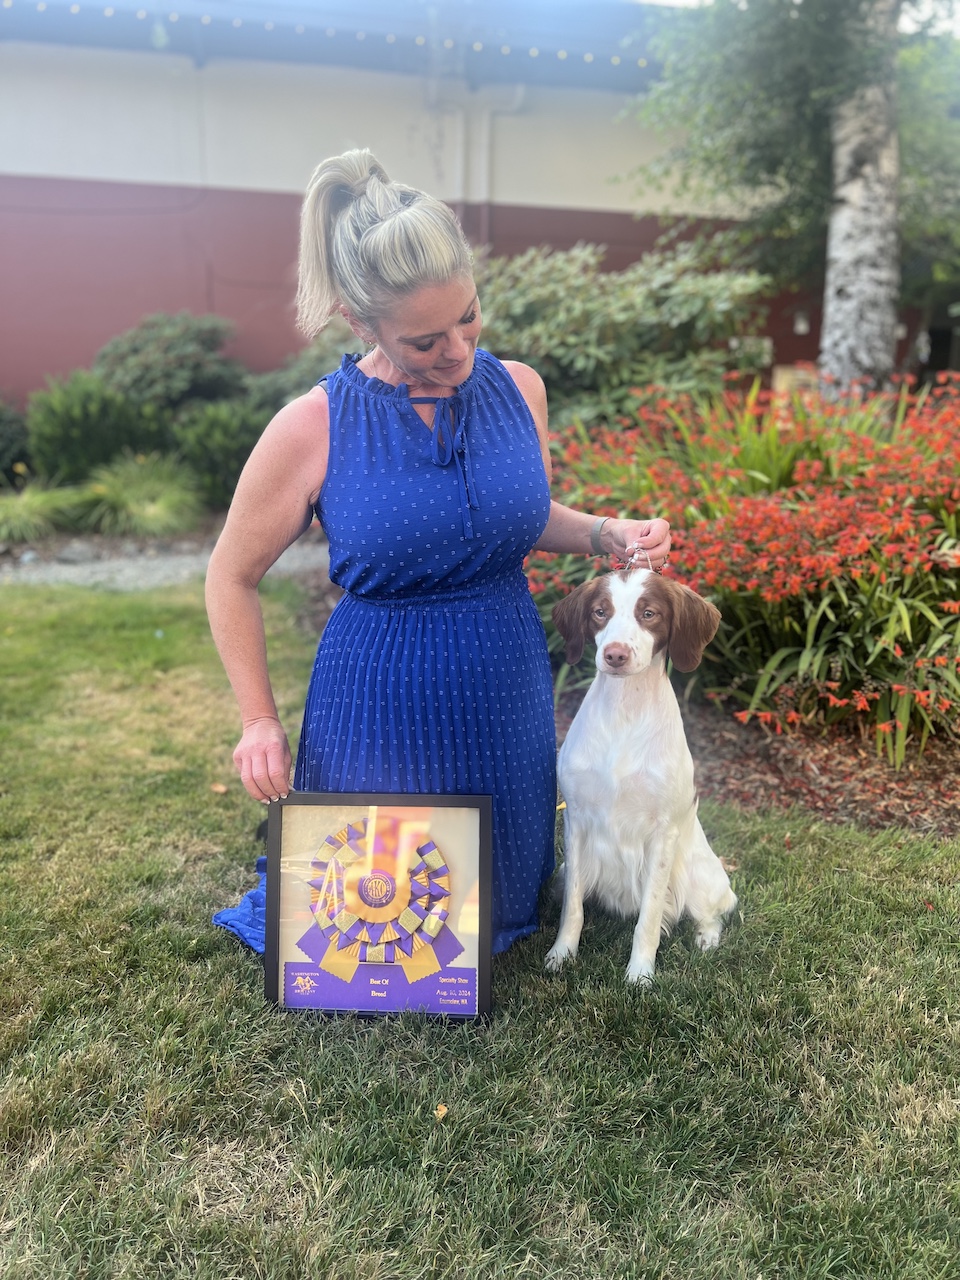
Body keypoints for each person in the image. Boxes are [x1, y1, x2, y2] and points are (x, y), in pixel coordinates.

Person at [206, 149, 671, 955]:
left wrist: (606, 533)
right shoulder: (313, 425)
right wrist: (258, 721)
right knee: (370, 924)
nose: (458, 349)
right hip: (379, 704)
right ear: (361, 323)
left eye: (469, 317)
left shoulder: (518, 388)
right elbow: (230, 576)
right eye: (425, 340)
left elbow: (518, 518)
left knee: (495, 905)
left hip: (503, 687)